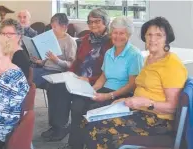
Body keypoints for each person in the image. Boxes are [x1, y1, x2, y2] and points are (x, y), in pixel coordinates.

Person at [83, 16, 187, 149]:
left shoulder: (171, 64)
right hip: (139, 111)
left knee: (96, 128)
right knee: (88, 119)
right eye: (149, 34)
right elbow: (144, 88)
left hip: (158, 120)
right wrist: (126, 99)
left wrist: (146, 103)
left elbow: (173, 106)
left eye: (159, 35)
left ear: (167, 38)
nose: (152, 39)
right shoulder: (150, 59)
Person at [65, 16, 144, 149]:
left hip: (122, 94)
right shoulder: (109, 52)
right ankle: (74, 145)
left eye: (122, 33)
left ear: (128, 35)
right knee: (77, 105)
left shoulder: (134, 54)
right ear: (111, 33)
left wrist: (109, 96)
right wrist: (93, 90)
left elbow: (132, 85)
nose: (117, 36)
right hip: (105, 90)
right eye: (115, 32)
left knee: (92, 110)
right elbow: (103, 76)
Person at [41, 8, 113, 147]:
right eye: (90, 22)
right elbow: (78, 61)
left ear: (105, 22)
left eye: (97, 21)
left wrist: (89, 80)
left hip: (95, 82)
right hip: (79, 78)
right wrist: (71, 72)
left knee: (78, 106)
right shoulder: (86, 39)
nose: (93, 25)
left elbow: (108, 72)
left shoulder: (110, 42)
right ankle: (59, 127)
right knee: (55, 88)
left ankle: (73, 141)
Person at [31, 13, 77, 87]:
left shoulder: (70, 41)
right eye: (52, 27)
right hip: (44, 69)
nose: (52, 29)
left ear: (63, 27)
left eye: (55, 27)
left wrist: (57, 60)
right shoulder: (51, 38)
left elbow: (71, 64)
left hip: (56, 72)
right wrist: (39, 61)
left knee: (32, 82)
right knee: (25, 74)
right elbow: (46, 60)